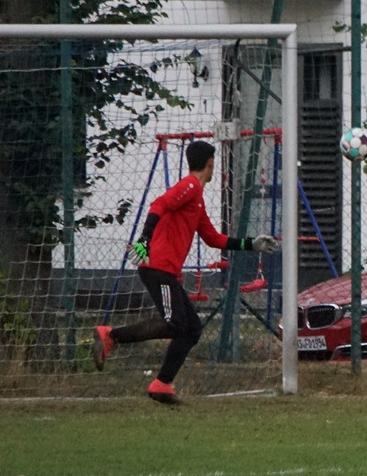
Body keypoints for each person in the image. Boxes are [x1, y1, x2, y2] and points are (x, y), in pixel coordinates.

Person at [91, 140, 278, 404]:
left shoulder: (196, 198)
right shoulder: (190, 186)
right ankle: (110, 336)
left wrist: (250, 244)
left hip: (165, 270)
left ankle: (162, 385)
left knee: (191, 329)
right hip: (158, 267)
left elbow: (212, 238)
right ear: (210, 163)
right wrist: (144, 239)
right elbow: (158, 205)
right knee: (174, 323)